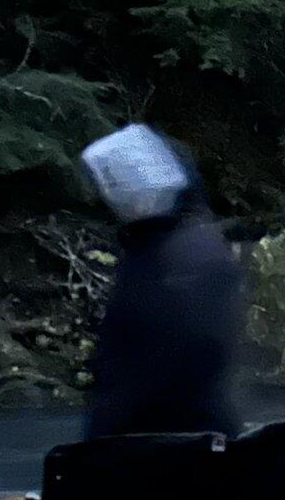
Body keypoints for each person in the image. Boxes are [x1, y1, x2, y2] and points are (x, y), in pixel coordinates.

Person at [79, 124, 246, 440]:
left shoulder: (153, 269)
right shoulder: (207, 251)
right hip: (213, 446)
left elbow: (132, 390)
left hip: (147, 458)